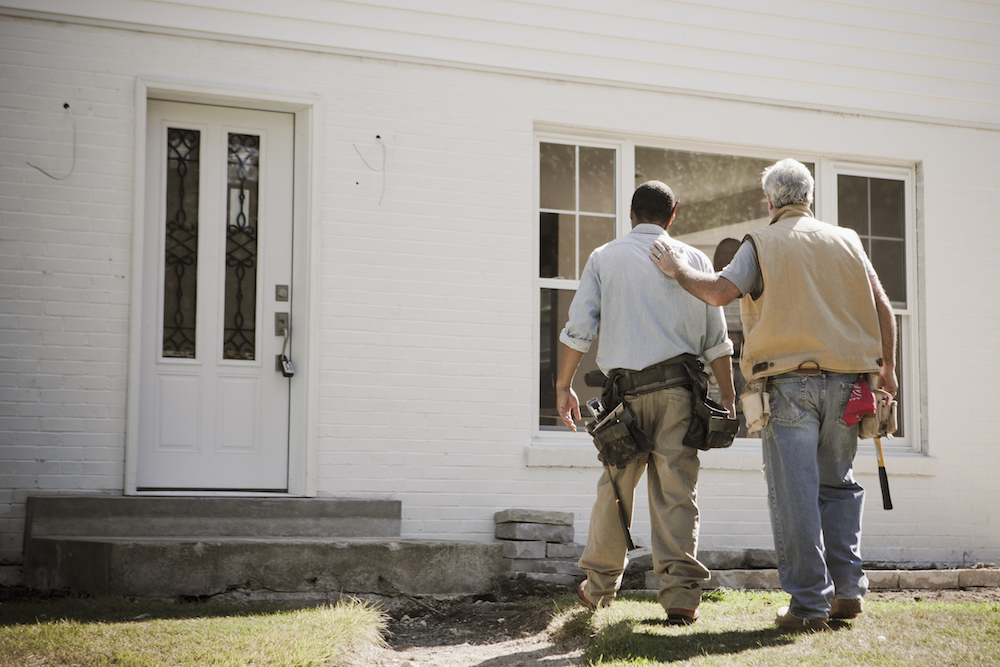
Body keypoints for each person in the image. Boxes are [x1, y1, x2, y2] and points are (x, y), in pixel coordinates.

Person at [649, 158, 898, 631]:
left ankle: (807, 605)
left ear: (770, 201)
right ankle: (847, 593)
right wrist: (888, 371)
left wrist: (679, 269)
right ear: (808, 198)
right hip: (849, 385)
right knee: (839, 487)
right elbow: (883, 307)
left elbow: (721, 292)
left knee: (795, 494)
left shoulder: (761, 242)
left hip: (788, 386)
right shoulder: (847, 239)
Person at [557, 180, 735, 624]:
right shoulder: (694, 260)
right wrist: (728, 393)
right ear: (672, 216)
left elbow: (579, 328)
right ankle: (680, 598)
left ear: (631, 213)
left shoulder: (604, 257)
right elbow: (717, 340)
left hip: (624, 401)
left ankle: (597, 590)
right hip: (680, 394)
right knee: (677, 492)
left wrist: (563, 385)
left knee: (615, 491)